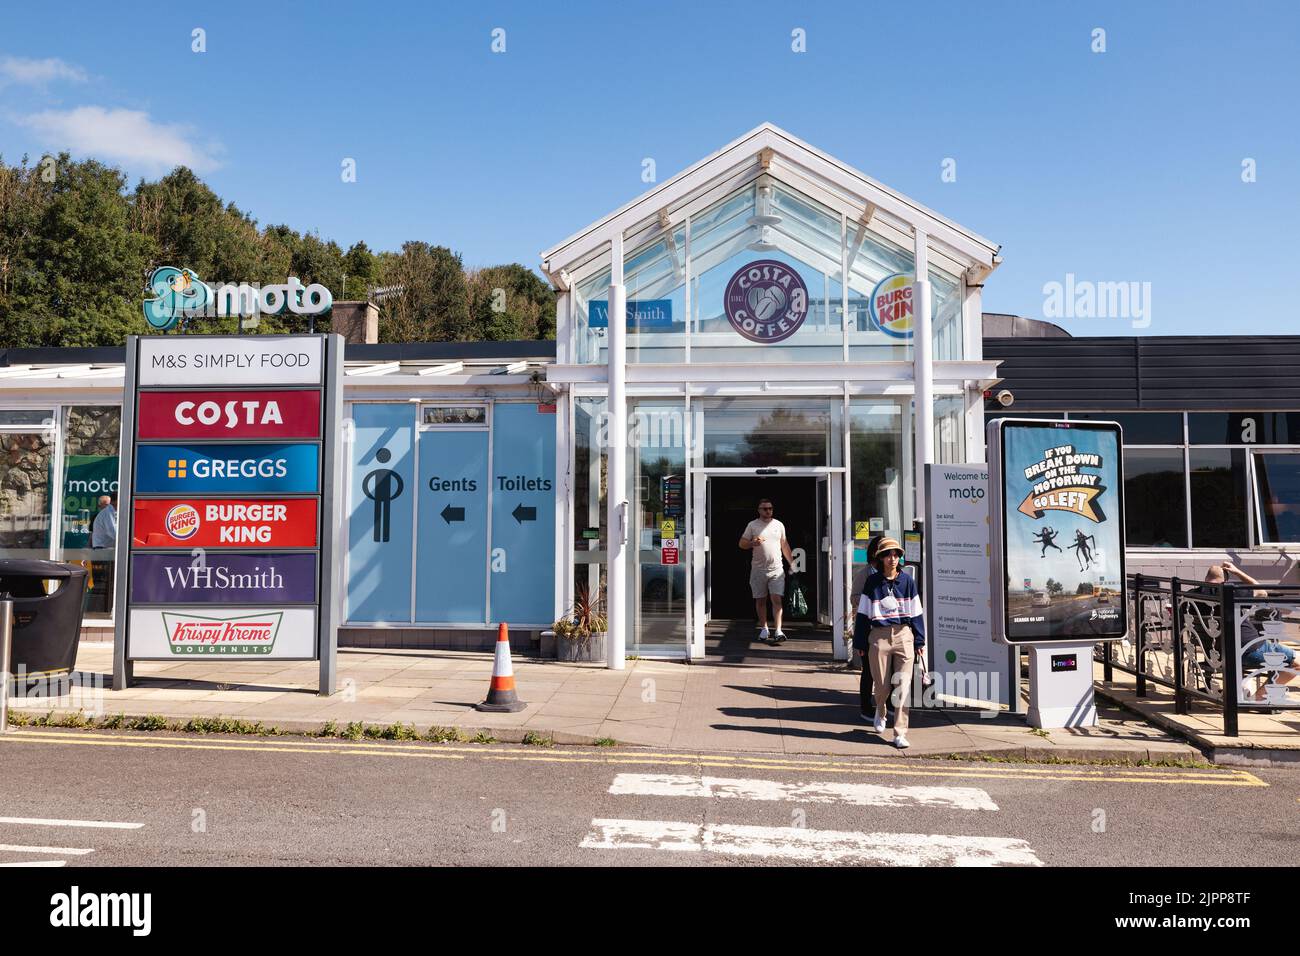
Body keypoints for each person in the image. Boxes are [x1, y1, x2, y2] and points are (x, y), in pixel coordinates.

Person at [853, 536, 925, 749]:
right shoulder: (872, 583)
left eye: (896, 555)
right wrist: (860, 643)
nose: (893, 559)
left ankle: (900, 732)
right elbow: (864, 614)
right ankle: (881, 710)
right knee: (882, 685)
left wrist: (920, 641)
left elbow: (917, 613)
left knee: (902, 686)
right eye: (888, 555)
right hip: (878, 636)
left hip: (904, 635)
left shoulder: (908, 582)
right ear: (881, 558)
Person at [739, 498, 793, 645]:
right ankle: (764, 628)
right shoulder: (753, 525)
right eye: (764, 508)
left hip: (776, 568)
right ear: (759, 510)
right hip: (758, 569)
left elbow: (784, 544)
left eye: (770, 508)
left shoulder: (778, 524)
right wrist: (752, 543)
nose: (768, 511)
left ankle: (778, 630)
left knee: (777, 599)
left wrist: (792, 563)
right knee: (761, 600)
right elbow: (741, 543)